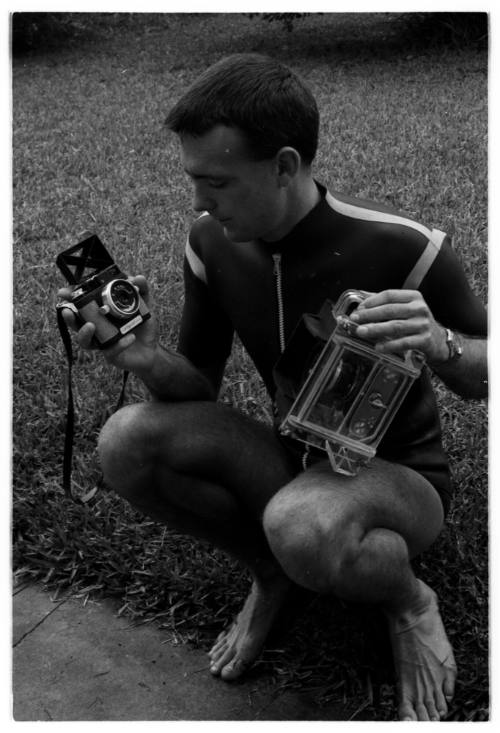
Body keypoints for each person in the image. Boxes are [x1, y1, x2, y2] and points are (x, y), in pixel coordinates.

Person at [59, 53, 487, 721]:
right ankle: (272, 572)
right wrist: (141, 355)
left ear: (286, 166)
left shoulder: (407, 247)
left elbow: (485, 374)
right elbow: (197, 381)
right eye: (195, 181)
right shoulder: (212, 242)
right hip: (294, 461)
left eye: (218, 182)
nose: (200, 202)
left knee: (302, 523)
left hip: (399, 479)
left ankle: (408, 600)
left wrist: (443, 343)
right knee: (127, 441)